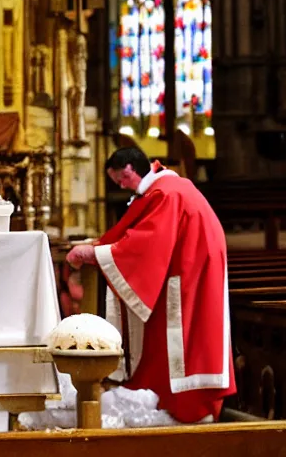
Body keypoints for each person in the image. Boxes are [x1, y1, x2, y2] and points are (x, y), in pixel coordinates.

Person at [66, 147, 236, 424]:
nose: (121, 186)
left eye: (121, 179)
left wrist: (94, 253)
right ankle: (171, 399)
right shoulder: (165, 187)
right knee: (179, 333)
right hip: (187, 266)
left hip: (188, 271)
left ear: (131, 169)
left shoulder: (165, 192)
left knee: (184, 334)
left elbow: (144, 244)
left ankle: (189, 405)